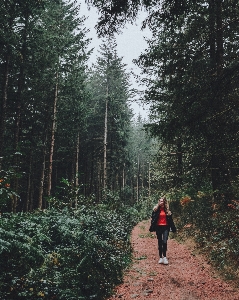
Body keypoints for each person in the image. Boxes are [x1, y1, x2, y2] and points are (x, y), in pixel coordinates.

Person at [149, 196, 176, 265]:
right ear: (159, 202)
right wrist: (152, 227)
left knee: (164, 242)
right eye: (160, 201)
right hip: (158, 227)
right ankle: (160, 257)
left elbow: (171, 221)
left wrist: (173, 228)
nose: (161, 202)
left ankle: (165, 257)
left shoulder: (167, 211)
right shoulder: (156, 210)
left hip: (166, 227)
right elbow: (153, 219)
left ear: (164, 202)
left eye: (163, 201)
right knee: (160, 242)